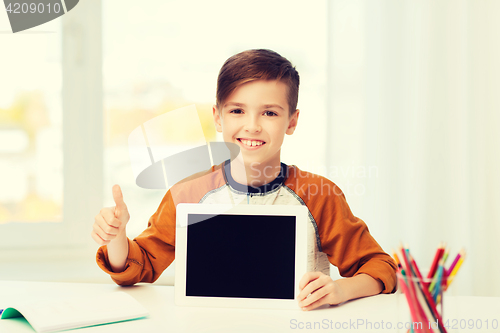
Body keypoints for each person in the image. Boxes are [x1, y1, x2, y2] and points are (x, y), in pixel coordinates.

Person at [92, 49, 397, 311]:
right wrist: (117, 238)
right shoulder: (187, 193)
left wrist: (341, 290)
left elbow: (379, 267)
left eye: (269, 113)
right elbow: (139, 265)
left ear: (292, 121)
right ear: (218, 117)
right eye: (237, 110)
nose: (252, 126)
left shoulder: (319, 195)